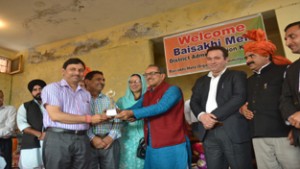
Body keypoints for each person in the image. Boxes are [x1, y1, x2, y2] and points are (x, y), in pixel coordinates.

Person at [241, 29, 300, 168]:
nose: (248, 61)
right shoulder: (249, 81)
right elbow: (245, 102)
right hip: (258, 137)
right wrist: (242, 109)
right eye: (246, 57)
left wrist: (295, 129)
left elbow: (293, 99)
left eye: (252, 56)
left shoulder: (286, 70)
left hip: (284, 135)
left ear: (266, 54)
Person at [116, 65, 190, 169]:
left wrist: (132, 113)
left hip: (171, 143)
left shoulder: (173, 90)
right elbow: (134, 108)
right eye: (146, 74)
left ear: (162, 76)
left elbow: (160, 107)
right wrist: (115, 112)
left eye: (152, 73)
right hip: (152, 143)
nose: (148, 77)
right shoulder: (147, 94)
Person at [190, 46, 252, 169]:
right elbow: (194, 102)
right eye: (209, 58)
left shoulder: (237, 75)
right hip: (208, 133)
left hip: (231, 130)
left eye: (217, 58)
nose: (212, 61)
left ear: (226, 60)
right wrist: (202, 116)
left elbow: (238, 97)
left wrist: (212, 117)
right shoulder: (200, 81)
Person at [41, 58, 109, 169]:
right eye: (72, 69)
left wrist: (104, 117)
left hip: (82, 138)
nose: (77, 73)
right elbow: (55, 115)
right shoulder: (52, 88)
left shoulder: (86, 94)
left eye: (80, 70)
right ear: (63, 71)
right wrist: (89, 119)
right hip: (58, 138)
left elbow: (88, 118)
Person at [84, 71, 121, 169]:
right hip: (87, 143)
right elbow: (80, 120)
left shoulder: (109, 99)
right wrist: (92, 138)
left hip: (109, 143)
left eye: (103, 80)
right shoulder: (81, 99)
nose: (102, 82)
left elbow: (117, 120)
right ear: (87, 82)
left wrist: (110, 137)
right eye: (98, 79)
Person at [116, 74, 147, 169]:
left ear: (143, 83)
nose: (133, 84)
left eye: (137, 81)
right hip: (127, 138)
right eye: (131, 82)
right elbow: (117, 119)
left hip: (145, 137)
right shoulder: (121, 101)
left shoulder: (148, 99)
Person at [16, 79, 47, 169]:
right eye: (35, 89)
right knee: (31, 165)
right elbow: (22, 124)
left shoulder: (52, 105)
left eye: (40, 89)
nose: (38, 91)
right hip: (31, 142)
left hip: (50, 142)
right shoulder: (25, 106)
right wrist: (39, 134)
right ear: (31, 92)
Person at [280, 21, 300, 146]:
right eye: (286, 39)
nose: (287, 43)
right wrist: (293, 120)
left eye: (292, 36)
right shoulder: (292, 68)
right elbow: (285, 98)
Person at [0, 90, 17, 169]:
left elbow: (10, 128)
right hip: (3, 137)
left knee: (5, 166)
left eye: (0, 97)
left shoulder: (10, 109)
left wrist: (5, 131)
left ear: (3, 98)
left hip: (3, 143)